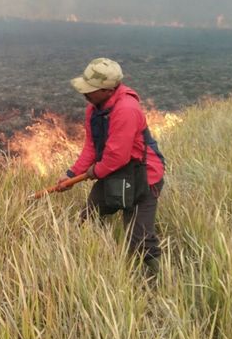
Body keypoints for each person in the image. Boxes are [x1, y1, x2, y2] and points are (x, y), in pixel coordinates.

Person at [58, 58, 166, 276]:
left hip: (144, 176)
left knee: (140, 239)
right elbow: (92, 147)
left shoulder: (126, 109)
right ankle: (84, 260)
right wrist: (71, 174)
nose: (84, 93)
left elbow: (117, 156)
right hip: (114, 172)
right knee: (89, 216)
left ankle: (159, 280)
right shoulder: (94, 109)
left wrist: (92, 173)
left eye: (91, 89)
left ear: (108, 90)